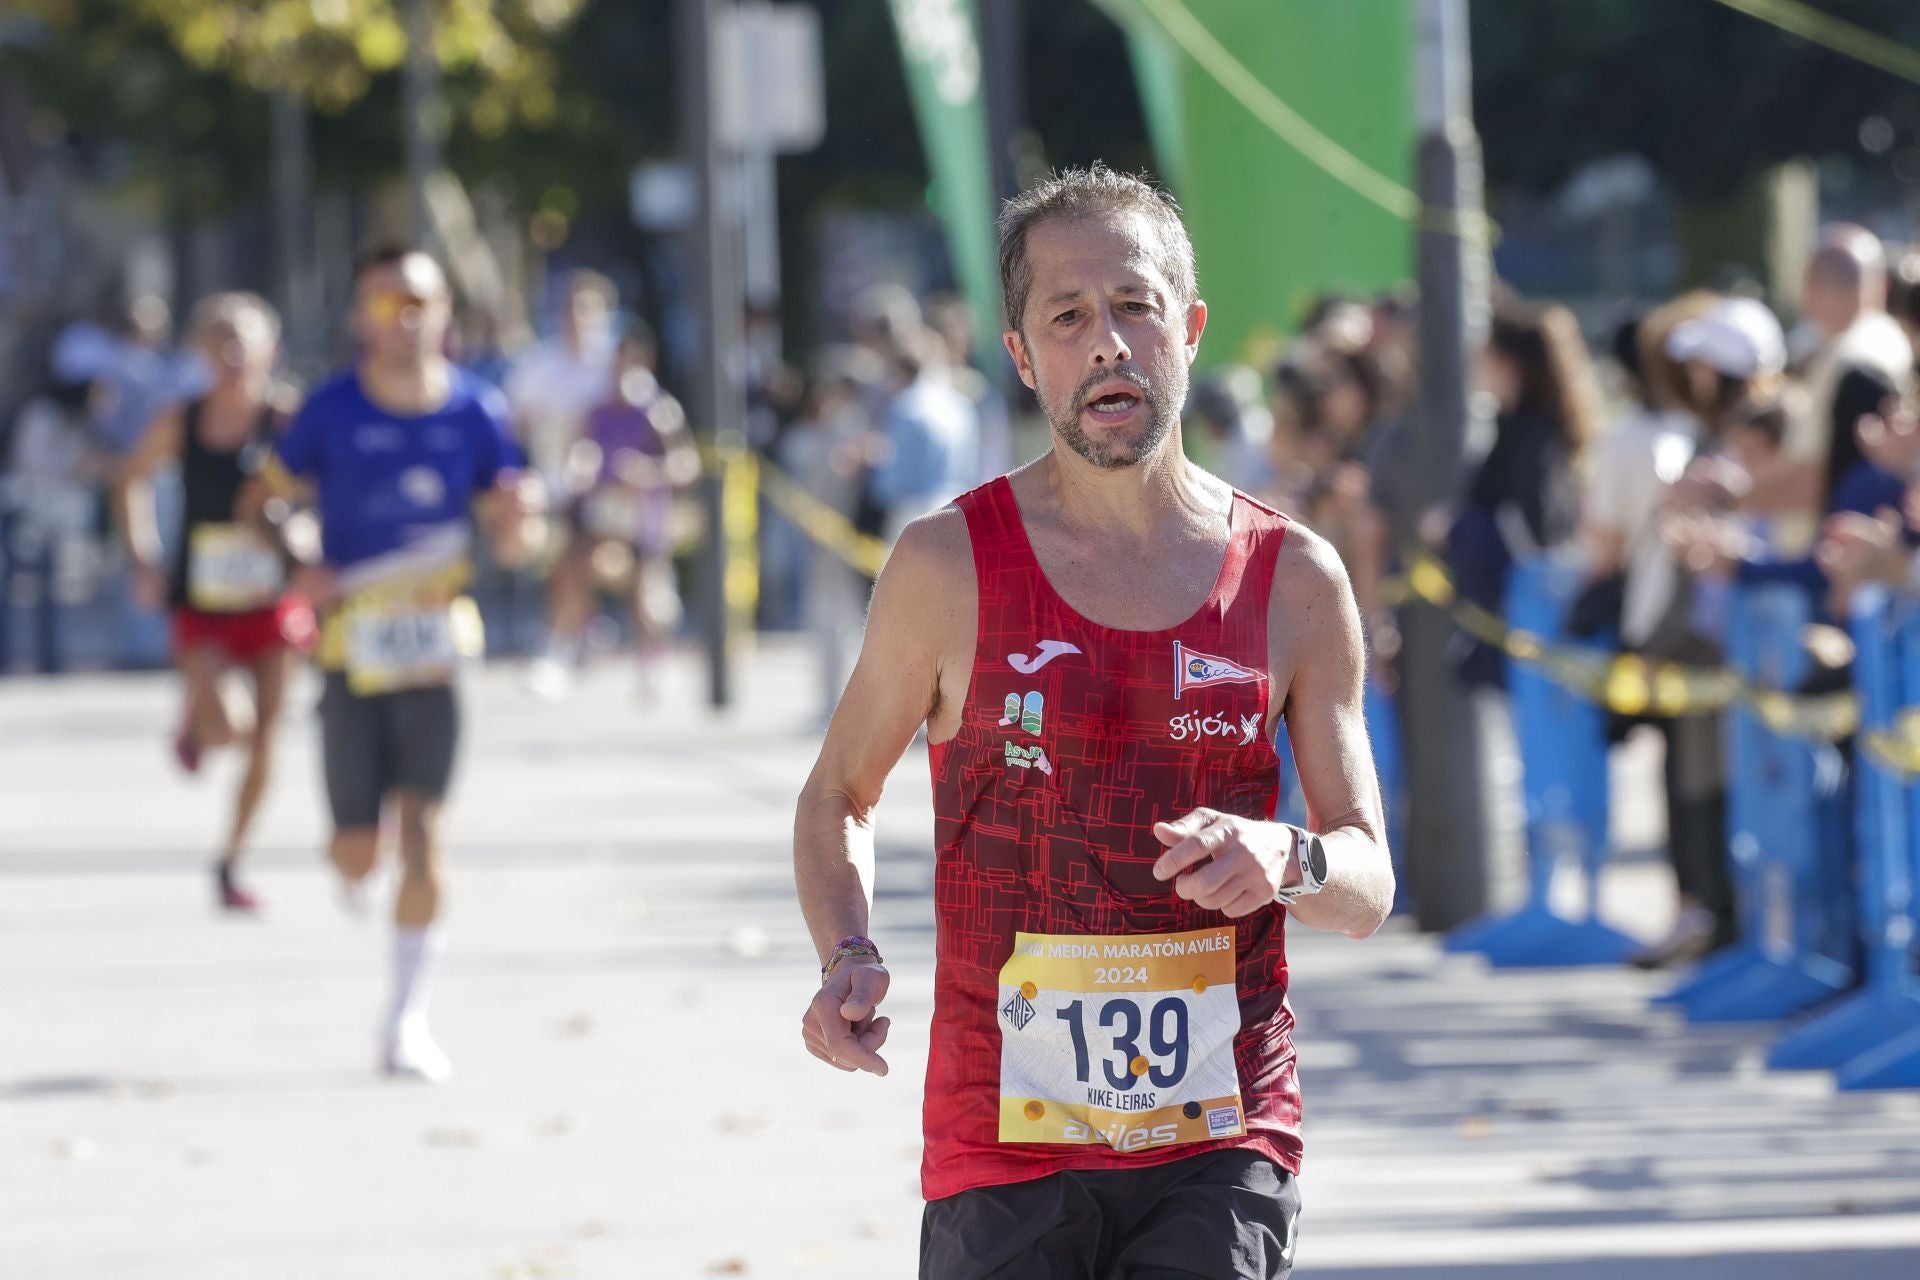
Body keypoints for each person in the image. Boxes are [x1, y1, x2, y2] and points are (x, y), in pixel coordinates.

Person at [794, 165, 1394, 1279]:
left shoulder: (1294, 578)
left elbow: (1366, 881)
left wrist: (1289, 852)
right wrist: (848, 952)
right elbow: (839, 794)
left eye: (1136, 305)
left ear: (1192, 328)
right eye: (1068, 317)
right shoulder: (948, 566)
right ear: (1022, 356)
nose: (1109, 342)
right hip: (1002, 1145)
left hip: (1222, 1135)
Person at [247, 246, 534, 1081]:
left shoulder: (478, 410)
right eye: (386, 303)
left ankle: (406, 1020)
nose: (405, 319)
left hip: (438, 647)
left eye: (420, 303)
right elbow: (262, 502)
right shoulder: (328, 411)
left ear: (444, 313)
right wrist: (299, 559)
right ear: (360, 318)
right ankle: (352, 858)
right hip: (349, 651)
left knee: (425, 835)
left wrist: (522, 522)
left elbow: (513, 536)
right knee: (355, 850)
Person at [115, 293, 315, 912]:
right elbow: (130, 480)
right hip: (202, 603)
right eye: (219, 343)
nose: (232, 355)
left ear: (269, 352)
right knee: (231, 724)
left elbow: (328, 484)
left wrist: (308, 531)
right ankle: (198, 722)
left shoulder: (286, 419)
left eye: (243, 342)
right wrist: (143, 557)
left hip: (272, 598)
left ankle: (231, 860)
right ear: (200, 354)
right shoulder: (183, 420)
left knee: (266, 742)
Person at [526, 324, 699, 700]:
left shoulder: (659, 410)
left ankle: (654, 662)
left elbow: (687, 463)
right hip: (601, 519)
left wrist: (650, 473)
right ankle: (565, 649)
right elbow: (578, 452)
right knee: (572, 571)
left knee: (649, 596)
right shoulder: (597, 410)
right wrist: (580, 470)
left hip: (643, 522)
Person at [1, 374, 107, 674]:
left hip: (51, 519)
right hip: (19, 510)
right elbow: (33, 463)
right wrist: (75, 467)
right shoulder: (42, 415)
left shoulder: (78, 425)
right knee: (9, 590)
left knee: (51, 590)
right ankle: (5, 659)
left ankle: (49, 659)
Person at [866, 334, 980, 542]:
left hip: (913, 511)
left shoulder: (906, 406)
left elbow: (890, 481)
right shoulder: (960, 405)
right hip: (957, 505)